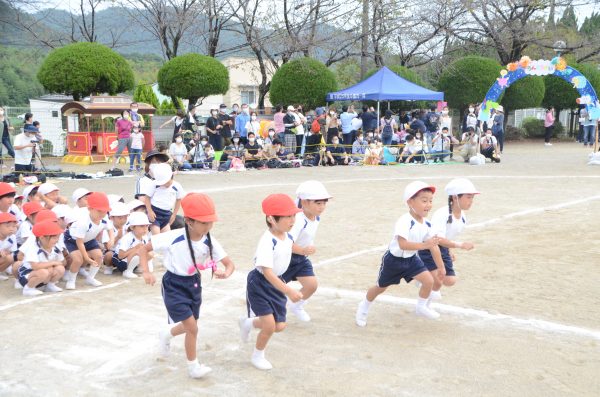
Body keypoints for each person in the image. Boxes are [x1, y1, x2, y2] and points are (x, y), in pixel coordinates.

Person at [138, 193, 234, 379]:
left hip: (194, 284)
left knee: (190, 325)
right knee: (192, 327)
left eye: (211, 222)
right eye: (204, 222)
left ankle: (166, 334)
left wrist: (226, 272)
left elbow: (229, 264)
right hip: (173, 284)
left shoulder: (210, 241)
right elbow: (144, 249)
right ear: (189, 221)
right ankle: (193, 367)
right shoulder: (172, 237)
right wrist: (146, 272)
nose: (208, 226)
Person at [355, 181, 444, 327]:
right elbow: (403, 244)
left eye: (430, 201)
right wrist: (424, 245)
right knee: (380, 288)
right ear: (410, 202)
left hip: (411, 260)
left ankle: (421, 307)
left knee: (429, 280)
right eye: (424, 201)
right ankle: (363, 307)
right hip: (394, 261)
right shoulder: (405, 221)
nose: (428, 204)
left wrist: (441, 267)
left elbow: (434, 247)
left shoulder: (427, 224)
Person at [239, 194, 302, 370]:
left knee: (279, 326)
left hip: (276, 281)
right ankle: (257, 355)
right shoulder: (267, 241)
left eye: (293, 215)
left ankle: (248, 323)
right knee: (269, 325)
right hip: (260, 283)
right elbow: (267, 272)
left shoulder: (287, 236)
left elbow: (289, 247)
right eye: (288, 216)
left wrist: (303, 250)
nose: (292, 220)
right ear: (271, 219)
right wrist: (288, 290)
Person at [418, 178, 478, 304]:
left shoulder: (462, 217)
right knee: (437, 281)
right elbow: (437, 239)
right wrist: (460, 245)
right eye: (468, 197)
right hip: (429, 248)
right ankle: (423, 304)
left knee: (450, 281)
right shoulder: (443, 214)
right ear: (455, 198)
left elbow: (447, 236)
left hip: (442, 247)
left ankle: (425, 278)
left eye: (472, 198)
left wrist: (449, 250)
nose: (471, 201)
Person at [282, 181, 331, 322]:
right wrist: (303, 250)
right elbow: (286, 242)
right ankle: (259, 310)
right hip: (286, 258)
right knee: (274, 288)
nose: (322, 207)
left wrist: (309, 246)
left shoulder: (316, 218)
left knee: (311, 285)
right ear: (304, 202)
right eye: (318, 203)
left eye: (324, 203)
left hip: (301, 259)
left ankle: (296, 305)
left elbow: (308, 235)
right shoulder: (297, 219)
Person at [63, 192, 110, 290]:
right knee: (78, 259)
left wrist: (111, 240)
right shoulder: (83, 222)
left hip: (89, 239)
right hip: (73, 240)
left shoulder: (104, 219)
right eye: (99, 211)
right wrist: (87, 258)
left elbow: (109, 229)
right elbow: (79, 242)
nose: (102, 213)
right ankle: (71, 280)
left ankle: (90, 278)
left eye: (105, 211)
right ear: (90, 209)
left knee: (99, 256)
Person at [17, 220, 66, 296]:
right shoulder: (33, 247)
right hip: (28, 275)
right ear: (42, 238)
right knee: (43, 272)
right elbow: (35, 266)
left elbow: (62, 262)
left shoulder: (56, 248)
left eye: (58, 238)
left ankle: (50, 285)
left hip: (44, 274)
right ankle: (28, 288)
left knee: (60, 268)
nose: (57, 240)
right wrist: (52, 263)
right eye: (54, 238)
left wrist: (53, 266)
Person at [141, 163, 184, 235]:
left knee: (166, 237)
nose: (163, 184)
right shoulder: (154, 185)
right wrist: (150, 211)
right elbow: (147, 197)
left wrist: (174, 215)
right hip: (155, 213)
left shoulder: (177, 186)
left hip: (167, 214)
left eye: (165, 182)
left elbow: (178, 200)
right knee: (156, 236)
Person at [0, 212, 18, 282]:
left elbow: (13, 252)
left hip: (2, 258)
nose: (11, 229)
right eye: (7, 226)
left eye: (13, 226)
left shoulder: (12, 237)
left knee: (10, 258)